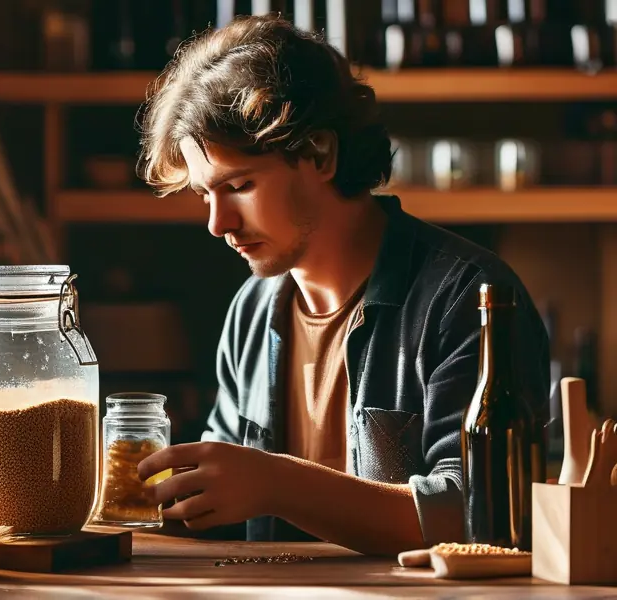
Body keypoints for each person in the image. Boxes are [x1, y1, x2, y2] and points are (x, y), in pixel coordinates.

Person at [134, 14, 550, 556]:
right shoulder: (252, 312)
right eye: (204, 195)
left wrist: (275, 483)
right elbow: (217, 506)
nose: (218, 223)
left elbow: (478, 512)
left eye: (238, 186)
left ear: (320, 154)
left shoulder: (469, 298)